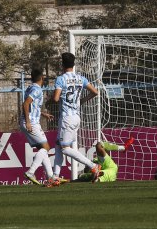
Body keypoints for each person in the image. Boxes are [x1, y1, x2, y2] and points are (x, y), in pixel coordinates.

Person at [52, 52, 101, 183]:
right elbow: (95, 92)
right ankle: (55, 176)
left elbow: (56, 98)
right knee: (58, 145)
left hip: (67, 118)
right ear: (74, 64)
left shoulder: (61, 79)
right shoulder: (81, 78)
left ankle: (93, 166)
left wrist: (54, 96)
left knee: (65, 148)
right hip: (76, 117)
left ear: (62, 65)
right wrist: (82, 100)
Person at [20, 68, 56, 187]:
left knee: (43, 149)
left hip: (30, 121)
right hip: (31, 123)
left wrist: (43, 114)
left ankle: (50, 176)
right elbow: (25, 104)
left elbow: (32, 106)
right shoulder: (37, 89)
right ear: (42, 78)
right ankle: (31, 172)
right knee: (46, 147)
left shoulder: (31, 88)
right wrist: (29, 122)